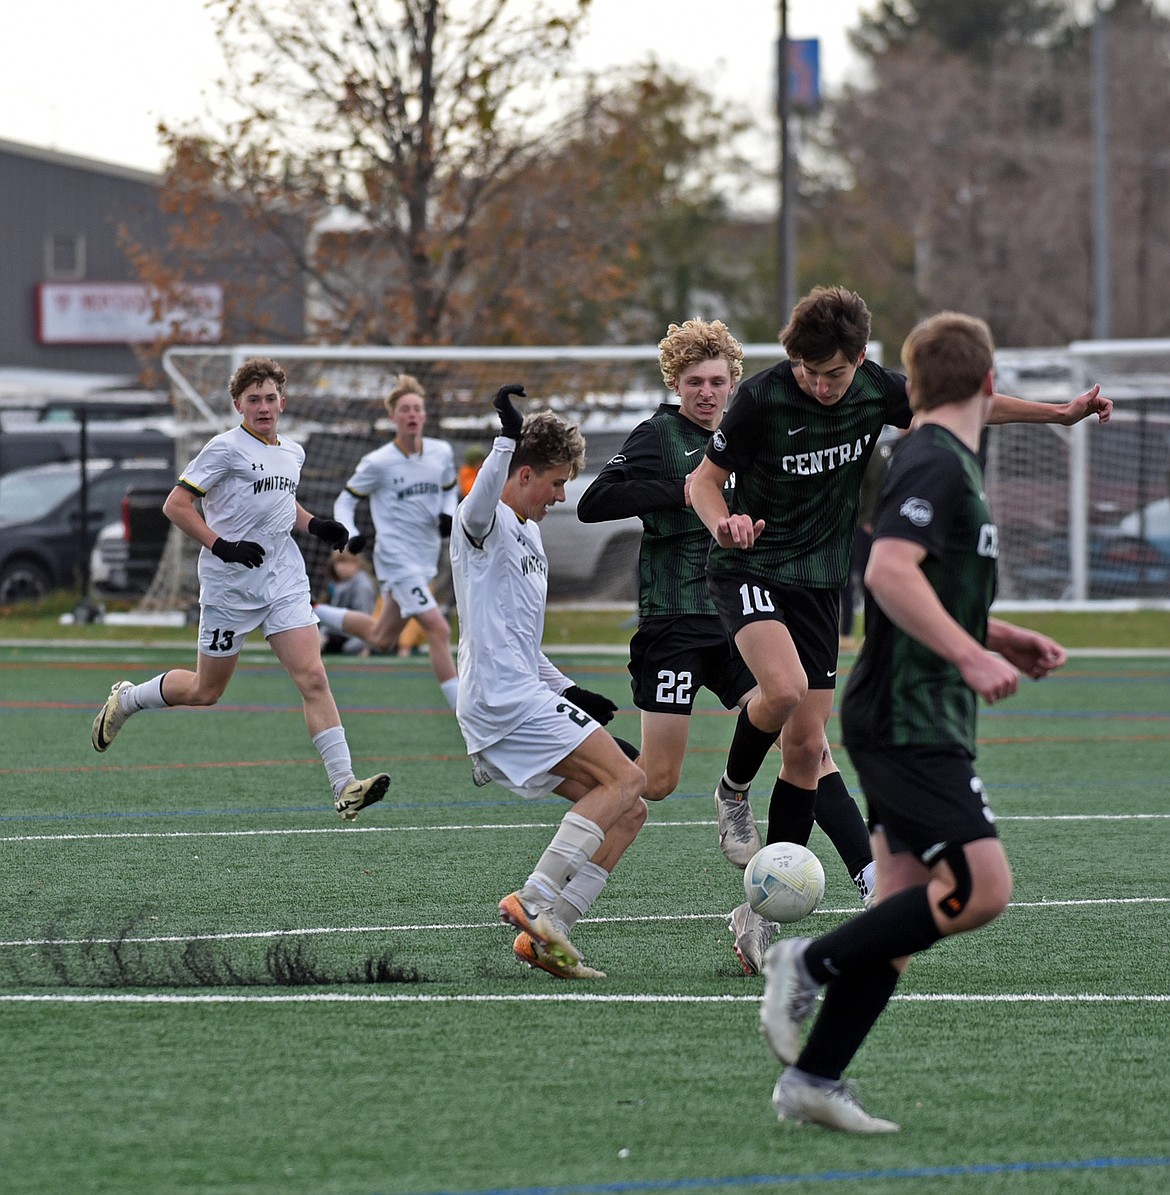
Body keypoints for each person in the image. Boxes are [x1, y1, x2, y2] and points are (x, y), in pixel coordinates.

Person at [689, 286, 1113, 973]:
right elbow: (703, 481)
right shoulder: (765, 396)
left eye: (832, 373)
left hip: (822, 584)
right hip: (750, 564)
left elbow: (967, 405)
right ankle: (733, 789)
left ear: (860, 359)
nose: (820, 386)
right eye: (807, 372)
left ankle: (757, 917)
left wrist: (1059, 415)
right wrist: (723, 523)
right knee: (786, 688)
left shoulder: (877, 391)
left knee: (803, 755)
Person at [758, 311, 1069, 1132]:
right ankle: (806, 959)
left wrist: (999, 636)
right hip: (908, 713)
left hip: (918, 708)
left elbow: (924, 585)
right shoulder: (935, 458)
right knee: (980, 887)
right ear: (989, 383)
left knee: (895, 915)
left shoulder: (939, 458)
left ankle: (814, 1078)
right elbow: (891, 571)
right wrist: (971, 658)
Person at [577, 318, 877, 972]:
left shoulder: (752, 432)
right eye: (695, 382)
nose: (708, 393)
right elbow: (596, 500)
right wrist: (685, 495)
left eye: (718, 381)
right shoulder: (661, 435)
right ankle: (590, 764)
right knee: (655, 780)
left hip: (743, 616)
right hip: (675, 621)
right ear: (675, 384)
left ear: (735, 381)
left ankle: (865, 874)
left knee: (808, 740)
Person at [90, 357, 391, 822]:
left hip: (283, 580)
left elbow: (281, 503)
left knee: (313, 677)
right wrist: (222, 544)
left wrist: (317, 525)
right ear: (238, 405)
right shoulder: (223, 448)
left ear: (282, 403)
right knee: (206, 691)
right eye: (254, 399)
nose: (264, 407)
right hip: (231, 586)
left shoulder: (292, 451)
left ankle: (345, 785)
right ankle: (128, 699)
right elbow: (177, 504)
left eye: (271, 398)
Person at [450, 384, 646, 980]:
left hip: (522, 691)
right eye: (556, 483)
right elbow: (479, 504)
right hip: (500, 699)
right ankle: (532, 901)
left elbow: (521, 642)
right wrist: (504, 438)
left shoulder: (530, 536)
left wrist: (571, 692)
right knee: (628, 778)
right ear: (524, 472)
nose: (561, 496)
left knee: (629, 806)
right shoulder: (481, 527)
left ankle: (552, 931)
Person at [314, 374, 460, 710]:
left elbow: (450, 489)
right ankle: (464, 713)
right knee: (437, 628)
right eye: (405, 409)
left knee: (382, 637)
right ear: (393, 417)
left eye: (417, 409)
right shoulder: (377, 462)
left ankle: (316, 610)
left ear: (424, 416)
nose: (412, 415)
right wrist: (349, 532)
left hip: (425, 557)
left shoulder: (441, 452)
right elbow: (345, 501)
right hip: (395, 558)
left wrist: (447, 513)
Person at [320, 550, 379, 655]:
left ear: (357, 563)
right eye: (337, 563)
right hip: (340, 633)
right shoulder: (338, 584)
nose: (340, 567)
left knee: (349, 648)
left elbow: (366, 620)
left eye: (346, 562)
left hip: (357, 636)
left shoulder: (363, 586)